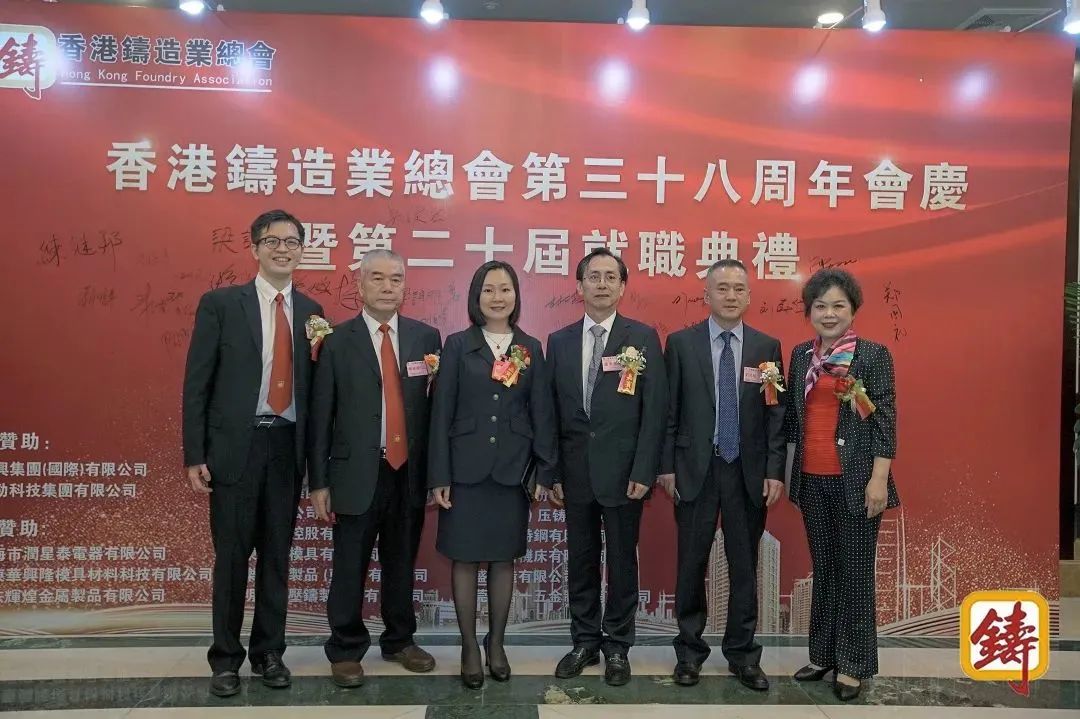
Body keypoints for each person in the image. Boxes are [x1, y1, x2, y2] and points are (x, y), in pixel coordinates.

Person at [182, 209, 324, 697]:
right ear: (255, 248)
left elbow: (317, 395)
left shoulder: (313, 314)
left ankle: (269, 653)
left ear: (302, 250)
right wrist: (195, 453)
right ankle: (225, 659)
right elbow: (197, 383)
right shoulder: (222, 304)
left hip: (286, 447)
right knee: (232, 558)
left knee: (276, 558)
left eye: (292, 241)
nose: (283, 249)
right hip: (234, 448)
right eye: (272, 241)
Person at [308, 249, 442, 688]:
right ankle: (346, 649)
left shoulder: (426, 338)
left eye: (396, 279)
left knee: (401, 562)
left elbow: (435, 413)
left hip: (408, 473)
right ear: (360, 285)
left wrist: (435, 474)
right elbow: (321, 415)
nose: (388, 287)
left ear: (405, 286)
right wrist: (319, 481)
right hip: (355, 472)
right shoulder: (336, 340)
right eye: (378, 278)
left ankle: (400, 640)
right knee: (351, 565)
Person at [428, 260, 558, 689]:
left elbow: (542, 412)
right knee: (464, 559)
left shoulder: (530, 347)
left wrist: (543, 470)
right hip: (464, 470)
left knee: (504, 560)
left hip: (512, 470)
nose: (497, 297)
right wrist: (439, 475)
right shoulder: (457, 345)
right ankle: (469, 646)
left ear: (516, 296)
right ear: (476, 297)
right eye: (489, 290)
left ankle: (496, 643)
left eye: (505, 289)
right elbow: (441, 412)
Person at [658, 259, 786, 690]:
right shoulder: (681, 344)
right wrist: (667, 467)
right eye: (722, 288)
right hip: (695, 469)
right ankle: (689, 652)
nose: (730, 295)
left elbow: (775, 415)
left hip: (746, 472)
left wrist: (774, 470)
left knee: (744, 565)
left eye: (738, 289)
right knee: (691, 564)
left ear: (749, 296)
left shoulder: (767, 347)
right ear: (706, 295)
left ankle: (743, 655)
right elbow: (669, 412)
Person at [544, 248, 668, 686]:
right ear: (579, 286)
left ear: (622, 286)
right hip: (574, 473)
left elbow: (655, 412)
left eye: (610, 277)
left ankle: (617, 645)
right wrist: (552, 473)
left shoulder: (643, 337)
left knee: (621, 562)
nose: (601, 284)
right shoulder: (558, 341)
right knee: (580, 561)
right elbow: (550, 413)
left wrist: (644, 470)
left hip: (624, 475)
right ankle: (584, 642)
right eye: (593, 277)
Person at [784, 268, 899, 701]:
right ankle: (823, 654)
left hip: (856, 481)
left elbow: (884, 419)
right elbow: (793, 419)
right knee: (826, 569)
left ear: (853, 311)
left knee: (855, 574)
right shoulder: (801, 355)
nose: (829, 314)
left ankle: (853, 664)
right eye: (820, 306)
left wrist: (879, 479)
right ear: (809, 311)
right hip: (812, 480)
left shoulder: (872, 355)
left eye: (838, 306)